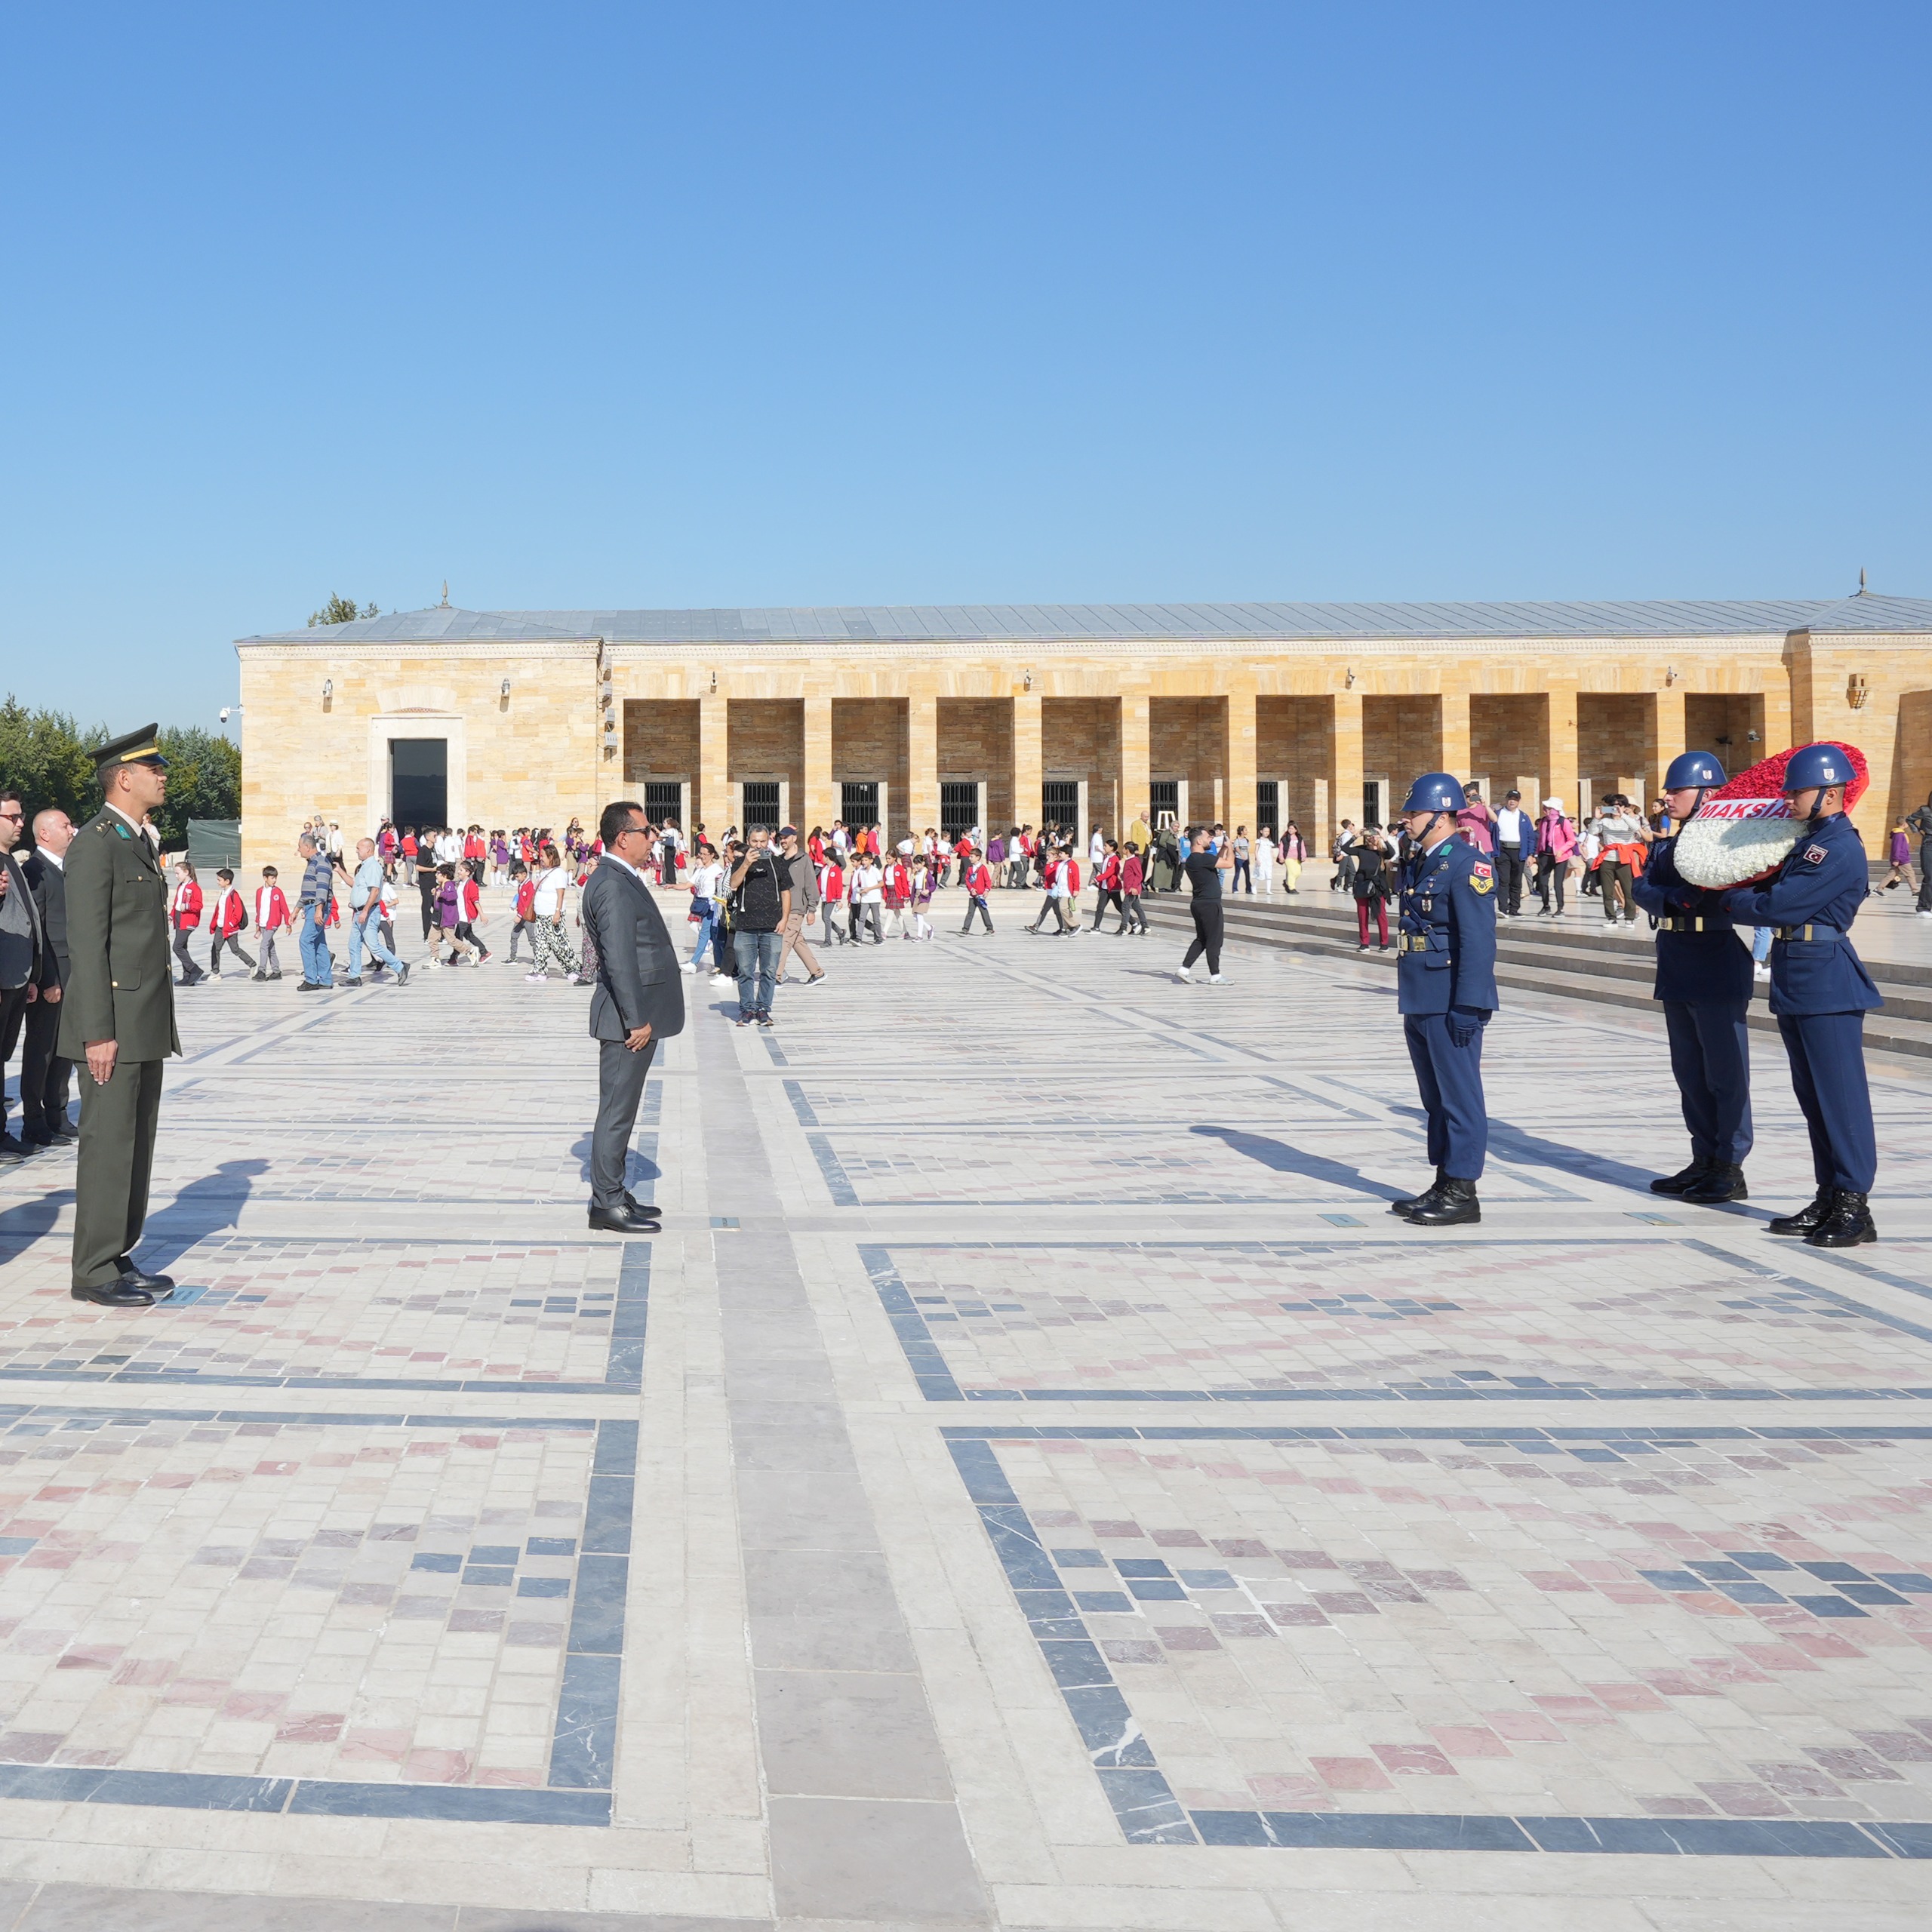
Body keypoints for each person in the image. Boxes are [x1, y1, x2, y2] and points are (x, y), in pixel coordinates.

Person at [1719, 743, 1882, 1247]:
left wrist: (1731, 897)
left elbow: (1783, 905)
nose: (1789, 797)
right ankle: (1830, 1194)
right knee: (1814, 1100)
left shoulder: (1837, 847)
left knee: (1841, 1100)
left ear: (1830, 795)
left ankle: (1855, 1204)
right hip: (1801, 977)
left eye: (1799, 790)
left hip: (1828, 983)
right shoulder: (1809, 840)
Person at [59, 728, 182, 1305]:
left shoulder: (135, 839)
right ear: (124, 778)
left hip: (144, 1019)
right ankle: (93, 1270)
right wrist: (98, 1033)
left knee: (136, 1141)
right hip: (113, 1024)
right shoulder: (96, 843)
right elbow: (88, 946)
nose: (163, 774)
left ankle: (117, 1249)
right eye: (152, 768)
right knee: (109, 1142)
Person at [1631, 752, 1753, 1205]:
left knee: (1725, 1072)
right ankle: (1703, 1158)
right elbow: (1642, 886)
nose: (1666, 798)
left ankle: (1730, 1164)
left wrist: (1674, 895)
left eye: (1676, 790)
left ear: (1708, 793)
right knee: (1690, 1073)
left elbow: (1716, 890)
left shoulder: (1732, 844)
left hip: (1715, 959)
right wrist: (1672, 898)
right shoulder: (1667, 845)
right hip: (1678, 957)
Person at [1389, 771, 1499, 1226]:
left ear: (1440, 815)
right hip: (1420, 994)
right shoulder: (1423, 861)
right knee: (1434, 1097)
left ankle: (1463, 1189)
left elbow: (1478, 941)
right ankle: (1444, 1178)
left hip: (1450, 997)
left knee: (1460, 1096)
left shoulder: (1466, 863)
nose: (1406, 821)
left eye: (1413, 814)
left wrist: (1469, 1005)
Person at [580, 800, 685, 1233]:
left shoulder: (620, 877)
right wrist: (636, 1019)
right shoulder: (612, 884)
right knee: (617, 1111)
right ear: (624, 837)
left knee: (623, 1108)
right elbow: (620, 958)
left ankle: (614, 1190)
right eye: (647, 832)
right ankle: (606, 1204)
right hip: (627, 1022)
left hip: (633, 1016)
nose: (653, 839)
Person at [0, 792, 55, 1162]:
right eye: (13, 817)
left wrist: (33, 975)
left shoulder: (12, 862)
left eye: (21, 817)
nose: (21, 823)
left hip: (17, 978)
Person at [20, 808, 76, 1147]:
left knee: (64, 1049)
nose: (72, 830)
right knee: (41, 1050)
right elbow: (36, 930)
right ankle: (33, 1119)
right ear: (45, 834)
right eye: (66, 825)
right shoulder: (35, 870)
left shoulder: (66, 869)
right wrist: (46, 980)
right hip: (51, 979)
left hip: (73, 976)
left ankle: (57, 1113)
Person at [727, 823, 789, 1026]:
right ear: (748, 841)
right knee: (745, 971)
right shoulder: (739, 862)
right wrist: (746, 864)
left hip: (772, 926)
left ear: (768, 841)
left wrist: (785, 919)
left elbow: (786, 891)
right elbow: (734, 884)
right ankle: (746, 1009)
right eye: (755, 841)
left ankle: (763, 1009)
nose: (759, 845)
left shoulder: (777, 863)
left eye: (763, 841)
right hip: (746, 926)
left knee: (769, 971)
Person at [344, 838, 409, 987]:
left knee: (373, 945)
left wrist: (365, 911)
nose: (356, 851)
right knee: (353, 945)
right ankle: (354, 976)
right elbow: (359, 887)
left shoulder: (373, 866)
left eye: (358, 848)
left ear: (368, 850)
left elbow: (375, 890)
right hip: (359, 912)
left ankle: (400, 966)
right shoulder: (365, 867)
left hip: (368, 913)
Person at [1174, 824, 1233, 983]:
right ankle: (1216, 975)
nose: (1211, 839)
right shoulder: (1204, 858)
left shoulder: (1193, 859)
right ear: (1199, 841)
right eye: (1208, 837)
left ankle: (1184, 969)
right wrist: (1231, 848)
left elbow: (1216, 860)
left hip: (1199, 903)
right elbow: (1228, 864)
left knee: (1202, 939)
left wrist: (1223, 850)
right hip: (1210, 904)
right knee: (1214, 940)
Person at [774, 827, 826, 986]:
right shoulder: (780, 859)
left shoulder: (804, 860)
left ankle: (776, 975)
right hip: (782, 908)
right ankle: (817, 972)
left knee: (784, 941)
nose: (783, 841)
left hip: (796, 908)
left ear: (794, 838)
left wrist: (812, 909)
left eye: (786, 838)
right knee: (798, 941)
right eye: (781, 838)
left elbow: (811, 884)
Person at [526, 844, 581, 981]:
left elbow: (560, 894)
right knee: (541, 944)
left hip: (553, 914)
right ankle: (540, 971)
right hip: (541, 915)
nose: (541, 859)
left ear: (551, 857)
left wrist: (557, 912)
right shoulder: (543, 873)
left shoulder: (559, 873)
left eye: (543, 856)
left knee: (560, 944)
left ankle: (573, 969)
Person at [294, 832, 336, 989]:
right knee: (319, 943)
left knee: (305, 940)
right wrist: (296, 910)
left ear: (307, 846)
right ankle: (325, 979)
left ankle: (311, 979)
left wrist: (319, 909)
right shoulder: (312, 863)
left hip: (318, 907)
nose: (298, 850)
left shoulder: (322, 862)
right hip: (311, 906)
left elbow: (322, 887)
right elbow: (307, 891)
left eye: (299, 846)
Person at [206, 868, 257, 979]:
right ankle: (215, 972)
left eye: (219, 880)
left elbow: (238, 914)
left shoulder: (234, 895)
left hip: (230, 929)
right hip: (220, 927)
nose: (217, 882)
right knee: (215, 948)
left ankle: (252, 965)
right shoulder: (223, 893)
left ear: (227, 881)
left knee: (235, 949)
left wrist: (230, 924)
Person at [1533, 798, 1577, 915]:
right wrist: (1536, 854)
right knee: (1542, 882)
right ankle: (1546, 905)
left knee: (1558, 884)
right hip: (1545, 855)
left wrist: (1561, 851)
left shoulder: (1563, 822)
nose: (1546, 810)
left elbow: (1571, 840)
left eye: (1549, 808)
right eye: (1545, 808)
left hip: (1560, 857)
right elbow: (1541, 839)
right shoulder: (1543, 821)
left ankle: (1560, 907)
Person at [1352, 826, 1394, 952]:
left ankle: (1384, 944)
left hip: (1378, 886)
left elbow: (1392, 853)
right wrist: (1356, 835)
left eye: (1373, 835)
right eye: (1369, 835)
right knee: (1362, 915)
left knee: (1381, 915)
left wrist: (1383, 837)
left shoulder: (1381, 851)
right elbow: (1344, 849)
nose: (1371, 838)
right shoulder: (1361, 850)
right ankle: (1364, 943)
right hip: (1362, 885)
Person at [1491, 790, 1529, 919]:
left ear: (1519, 801)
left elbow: (1530, 837)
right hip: (1503, 850)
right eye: (1510, 798)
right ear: (1506, 799)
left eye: (1515, 799)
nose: (1512, 801)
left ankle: (1514, 908)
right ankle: (1503, 908)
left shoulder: (1523, 817)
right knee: (1503, 880)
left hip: (1519, 851)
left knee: (1516, 881)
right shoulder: (1498, 814)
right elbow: (1491, 831)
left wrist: (1530, 854)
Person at [169, 861, 206, 986]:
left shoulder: (194, 887)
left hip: (188, 919)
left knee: (177, 947)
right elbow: (177, 904)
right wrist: (171, 915)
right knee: (183, 947)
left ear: (186, 872)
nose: (176, 876)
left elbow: (199, 905)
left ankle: (194, 970)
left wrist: (188, 906)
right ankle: (188, 977)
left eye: (178, 873)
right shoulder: (181, 886)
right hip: (179, 917)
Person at [251, 866, 291, 980]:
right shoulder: (259, 891)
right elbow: (258, 908)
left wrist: (288, 924)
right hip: (263, 923)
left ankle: (261, 971)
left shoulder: (277, 892)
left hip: (272, 924)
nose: (274, 880)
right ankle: (276, 971)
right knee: (270, 947)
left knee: (263, 946)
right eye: (272, 878)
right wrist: (257, 923)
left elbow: (284, 908)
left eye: (275, 878)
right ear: (265, 878)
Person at [959, 844, 995, 934]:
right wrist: (971, 889)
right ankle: (965, 928)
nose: (970, 858)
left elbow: (988, 880)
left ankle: (990, 928)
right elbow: (967, 880)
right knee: (970, 912)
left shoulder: (983, 868)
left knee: (984, 911)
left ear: (978, 857)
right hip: (973, 894)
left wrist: (987, 890)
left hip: (980, 895)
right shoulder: (970, 868)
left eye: (972, 856)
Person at [1908, 791, 1932, 917]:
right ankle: (1923, 907)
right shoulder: (1925, 810)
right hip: (1929, 843)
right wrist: (1916, 830)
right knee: (1929, 876)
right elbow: (1910, 819)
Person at [1117, 841, 1148, 934]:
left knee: (1125, 907)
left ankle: (1123, 928)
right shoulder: (1129, 860)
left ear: (1127, 850)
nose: (1122, 850)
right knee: (1137, 908)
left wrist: (1134, 887)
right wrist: (1122, 876)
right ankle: (1145, 926)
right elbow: (1130, 874)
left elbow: (1139, 875)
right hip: (1128, 888)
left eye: (1124, 848)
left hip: (1132, 889)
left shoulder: (1134, 861)